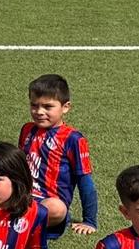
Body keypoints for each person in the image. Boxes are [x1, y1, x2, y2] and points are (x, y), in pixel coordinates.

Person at [18, 73, 96, 235]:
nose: (39, 111)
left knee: (56, 208)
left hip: (47, 202)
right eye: (34, 105)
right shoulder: (27, 129)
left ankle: (14, 222)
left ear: (65, 107)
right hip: (22, 197)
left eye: (47, 107)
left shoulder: (73, 139)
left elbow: (85, 182)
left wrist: (89, 221)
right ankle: (16, 220)